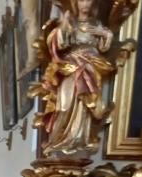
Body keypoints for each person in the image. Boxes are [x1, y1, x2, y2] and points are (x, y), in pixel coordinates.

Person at [40, 0, 113, 156]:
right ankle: (57, 140)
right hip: (70, 66)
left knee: (83, 104)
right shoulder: (71, 23)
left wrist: (107, 35)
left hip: (90, 67)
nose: (85, 4)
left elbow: (102, 48)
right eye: (81, 0)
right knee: (63, 105)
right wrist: (64, 25)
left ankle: (78, 139)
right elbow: (60, 45)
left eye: (89, 0)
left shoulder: (97, 24)